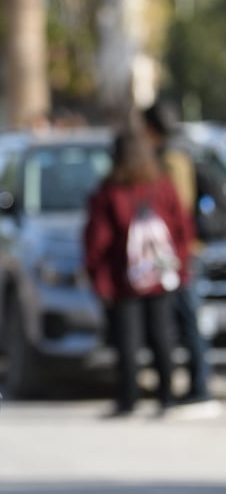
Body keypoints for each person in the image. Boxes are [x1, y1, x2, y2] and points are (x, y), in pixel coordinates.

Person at [84, 127, 191, 417]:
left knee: (127, 341)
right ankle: (166, 396)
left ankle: (128, 399)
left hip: (123, 280)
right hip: (161, 277)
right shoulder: (162, 185)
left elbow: (98, 241)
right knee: (162, 336)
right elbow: (182, 228)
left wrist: (99, 279)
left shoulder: (109, 192)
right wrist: (180, 268)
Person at [141, 100, 216, 408]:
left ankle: (200, 385)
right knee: (185, 316)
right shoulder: (180, 149)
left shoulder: (173, 156)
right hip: (181, 249)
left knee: (187, 316)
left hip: (180, 252)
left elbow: (179, 208)